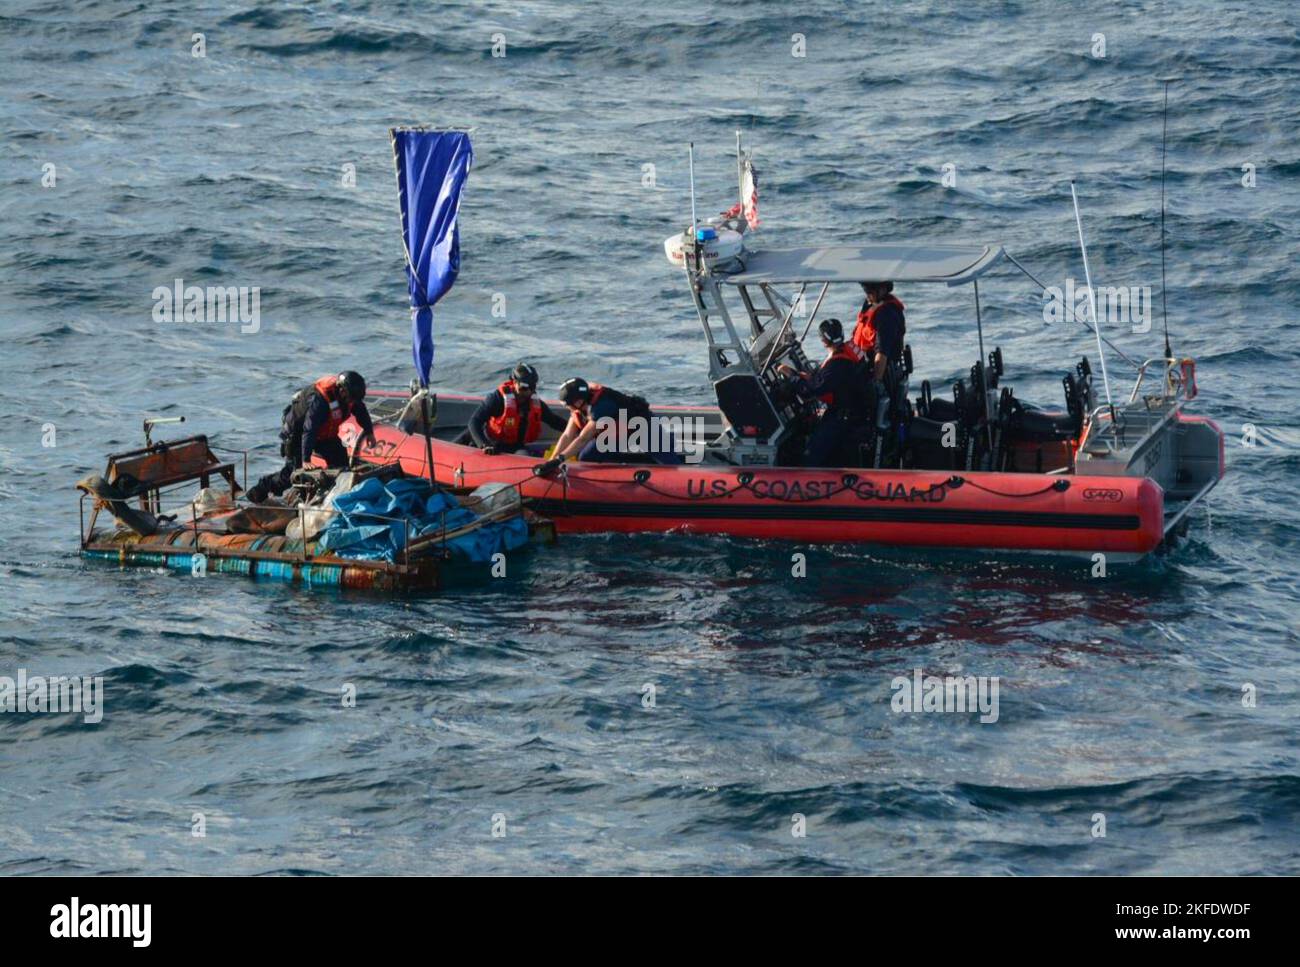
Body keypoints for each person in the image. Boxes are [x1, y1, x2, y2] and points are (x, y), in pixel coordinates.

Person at [246, 371, 376, 503]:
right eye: (351, 398)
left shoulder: (350, 398)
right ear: (342, 389)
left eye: (354, 399)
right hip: (298, 434)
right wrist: (306, 459)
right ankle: (257, 492)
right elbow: (309, 429)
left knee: (342, 465)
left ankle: (334, 497)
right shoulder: (321, 400)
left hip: (323, 434)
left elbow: (360, 411)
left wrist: (369, 432)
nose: (352, 401)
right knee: (292, 474)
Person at [777, 318, 871, 466]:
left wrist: (792, 376)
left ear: (824, 341)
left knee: (810, 457)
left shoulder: (837, 364)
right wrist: (805, 377)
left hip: (844, 417)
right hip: (856, 409)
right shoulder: (849, 351)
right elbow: (824, 380)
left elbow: (809, 392)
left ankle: (807, 477)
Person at [538, 377, 683, 469]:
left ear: (578, 401)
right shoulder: (579, 406)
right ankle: (622, 469)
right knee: (587, 457)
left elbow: (583, 438)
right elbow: (567, 436)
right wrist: (552, 460)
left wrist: (560, 459)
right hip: (616, 435)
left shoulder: (602, 406)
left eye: (568, 405)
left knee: (669, 463)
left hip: (643, 429)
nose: (567, 408)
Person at [467, 363, 567, 455]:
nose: (528, 391)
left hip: (515, 447)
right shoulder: (497, 399)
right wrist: (484, 444)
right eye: (524, 387)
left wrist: (578, 430)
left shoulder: (535, 403)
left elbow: (554, 421)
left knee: (524, 456)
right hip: (491, 444)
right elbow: (474, 421)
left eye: (532, 387)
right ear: (514, 382)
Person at [853, 281, 907, 429]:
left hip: (879, 371)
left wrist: (876, 383)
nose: (867, 295)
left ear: (882, 289)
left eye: (870, 291)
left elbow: (882, 353)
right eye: (866, 291)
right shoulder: (871, 304)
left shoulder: (887, 314)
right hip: (861, 363)